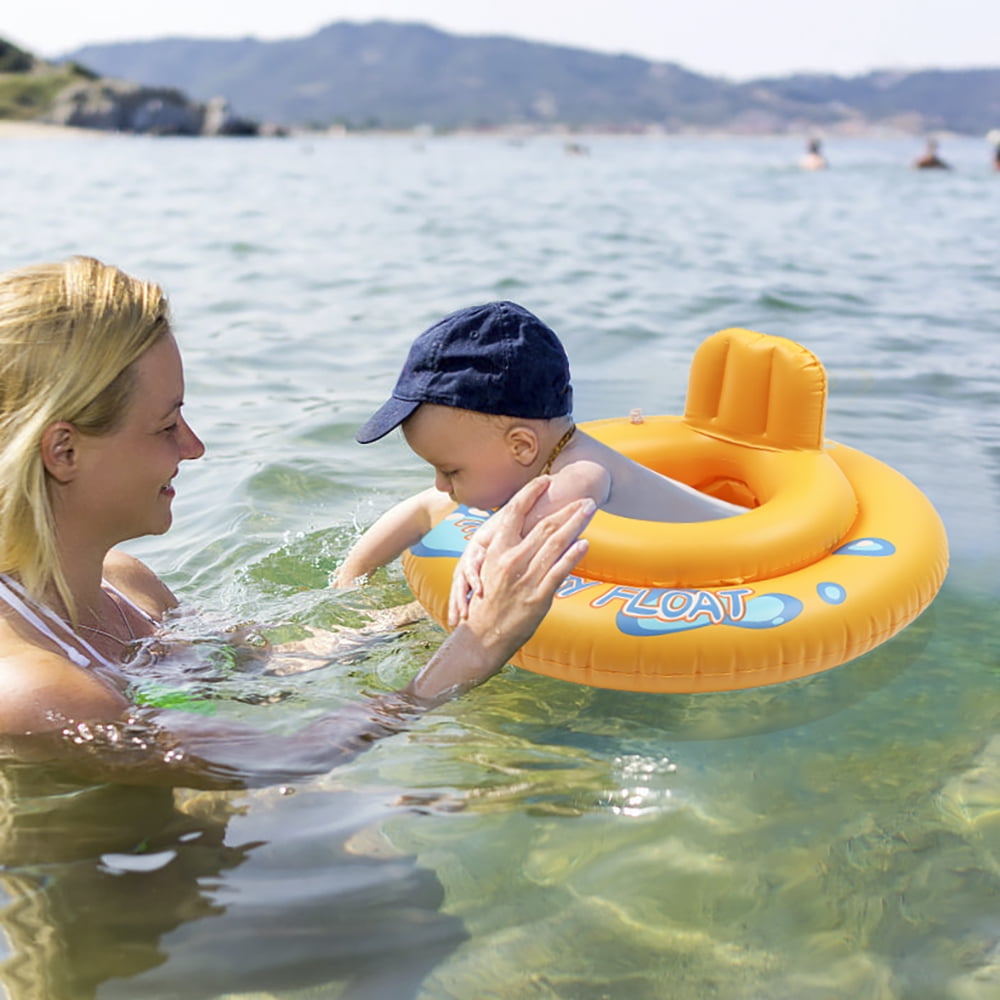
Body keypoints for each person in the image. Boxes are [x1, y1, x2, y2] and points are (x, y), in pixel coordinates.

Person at [0, 258, 595, 785]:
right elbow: (274, 760)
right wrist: (481, 646)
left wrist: (427, 614)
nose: (194, 446)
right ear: (64, 452)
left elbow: (272, 668)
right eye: (165, 425)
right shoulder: (31, 688)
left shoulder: (127, 582)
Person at [333, 301, 743, 625]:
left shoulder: (581, 467)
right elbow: (423, 508)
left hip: (740, 548)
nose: (441, 484)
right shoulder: (535, 459)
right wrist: (347, 586)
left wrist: (474, 551)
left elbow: (573, 491)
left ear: (523, 446)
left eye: (451, 471)